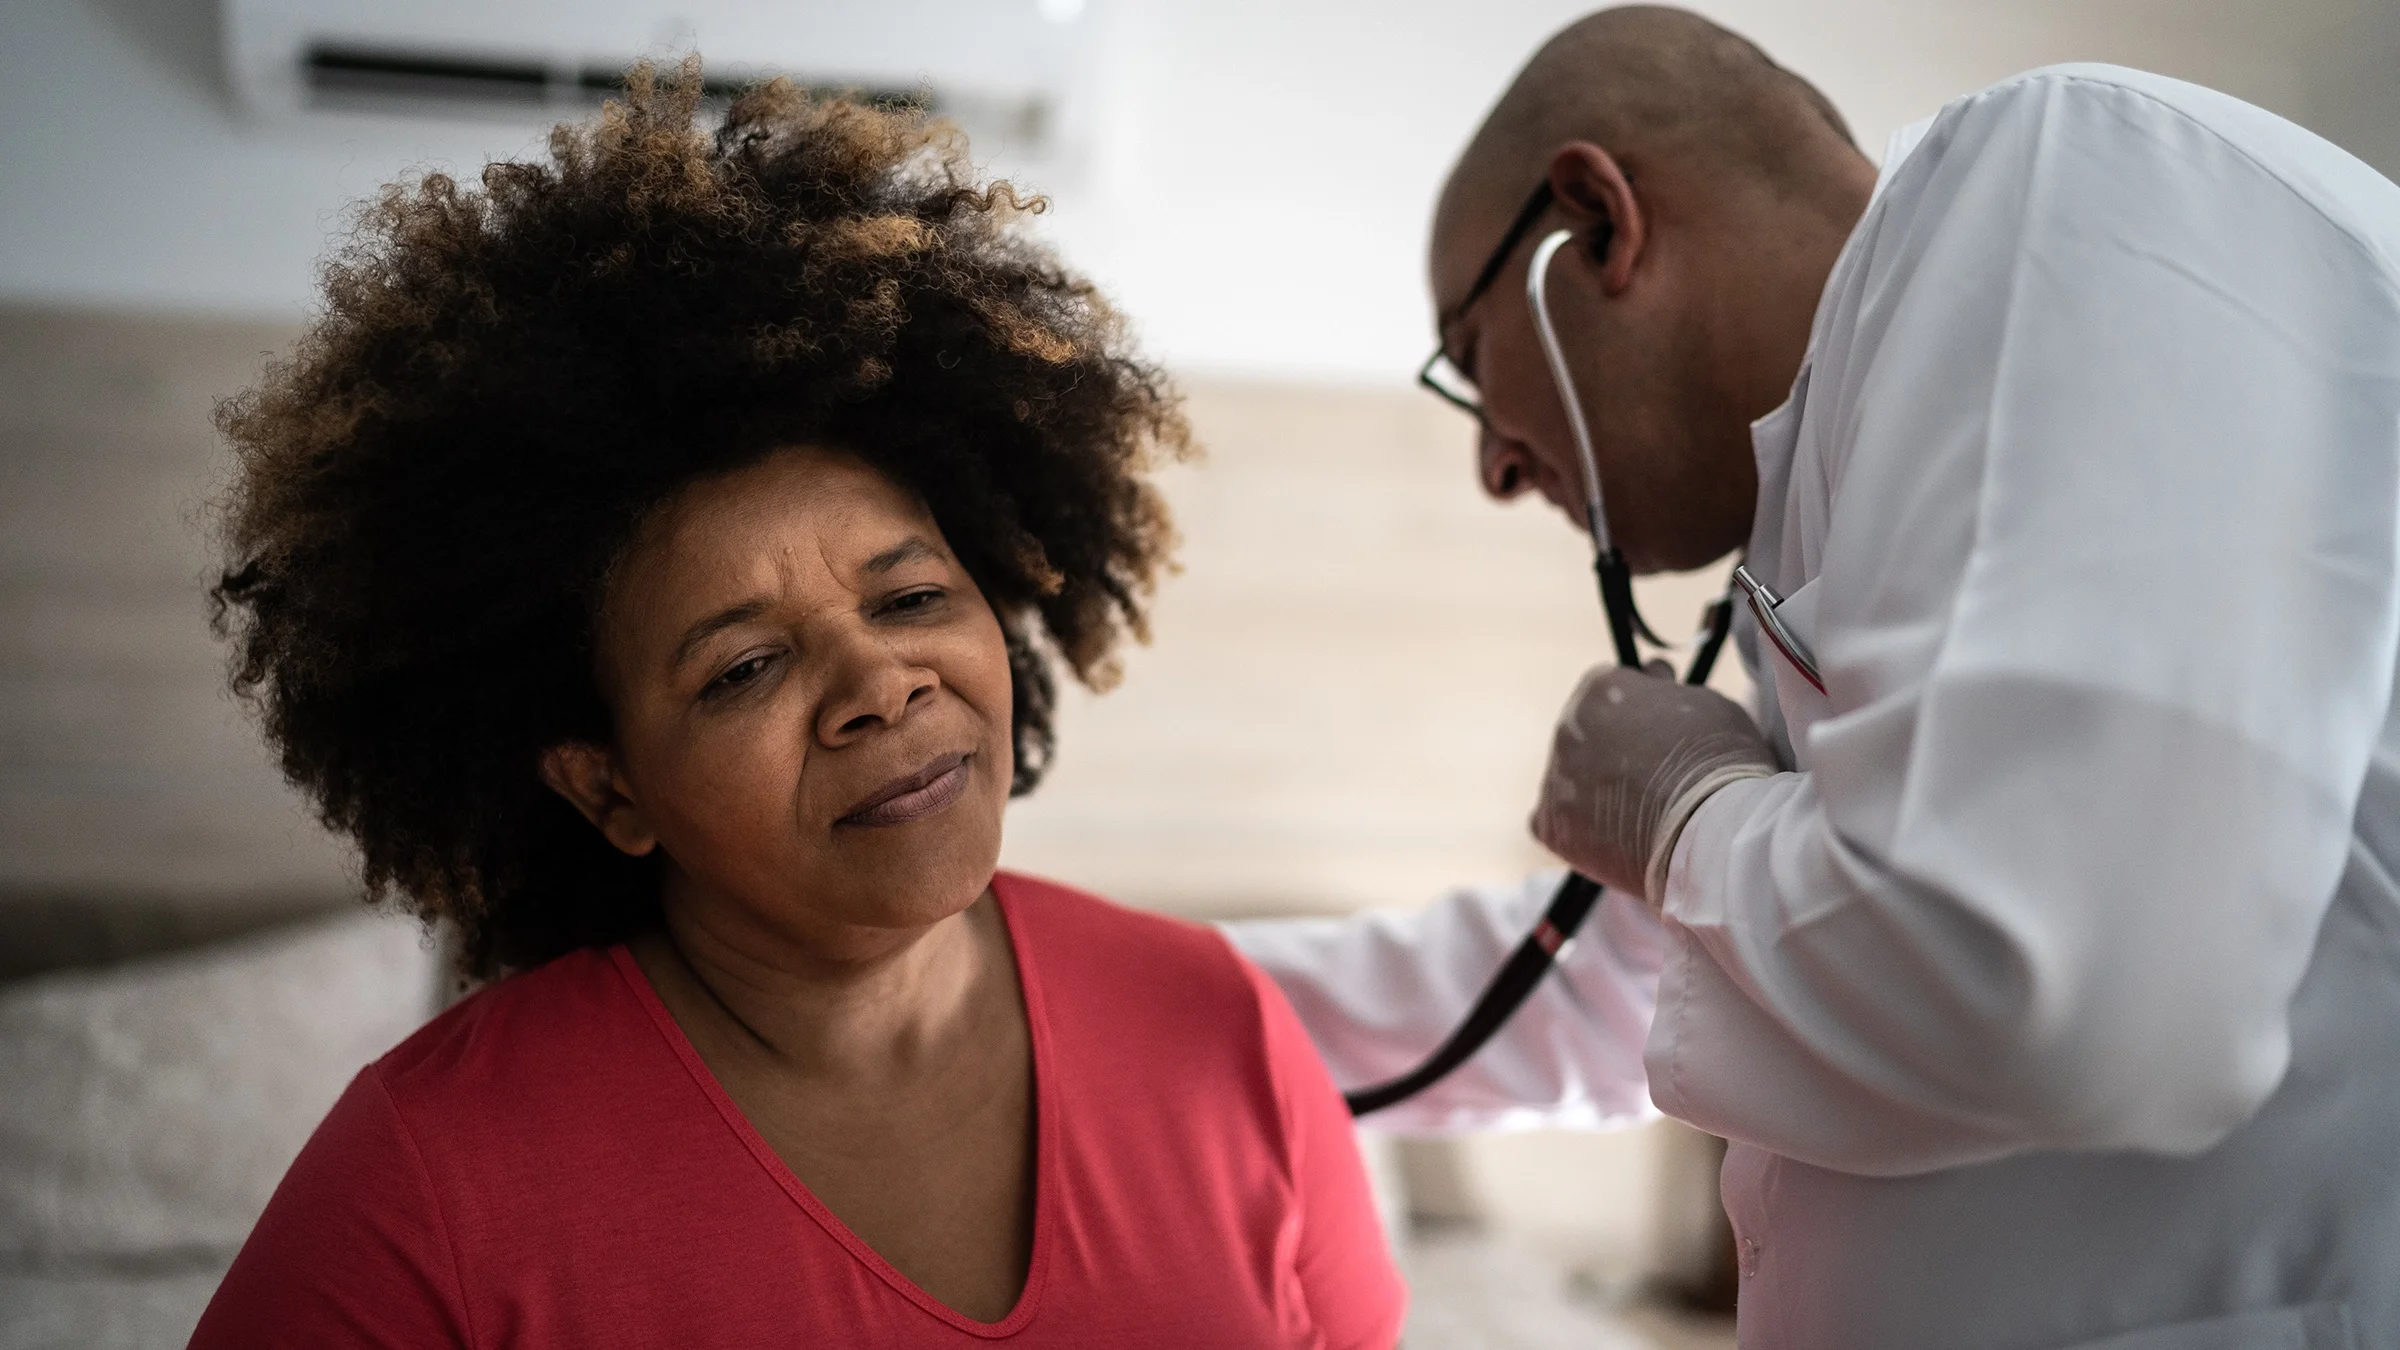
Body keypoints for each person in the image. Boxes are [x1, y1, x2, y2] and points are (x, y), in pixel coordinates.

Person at [1227, 7, 2400, 1345]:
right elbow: (1629, 983)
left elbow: (2056, 1001)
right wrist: (1093, 988)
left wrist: (1684, 809)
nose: (1492, 462)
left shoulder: (2056, 179)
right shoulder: (1839, 499)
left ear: (1600, 224)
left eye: (1471, 359)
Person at [190, 65, 1404, 1349]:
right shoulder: (426, 1179)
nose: (880, 684)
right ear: (609, 787)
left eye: (911, 597)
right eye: (744, 669)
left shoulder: (1223, 1024)